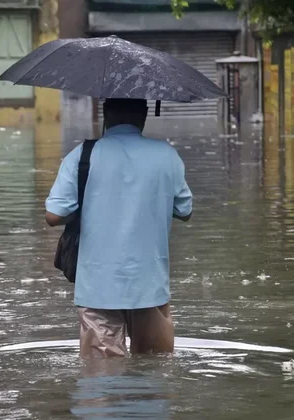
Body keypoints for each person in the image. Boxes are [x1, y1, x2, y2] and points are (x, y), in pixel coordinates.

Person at [44, 98, 193, 358]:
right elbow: (185, 211)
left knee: (100, 380)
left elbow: (54, 215)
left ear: (106, 114)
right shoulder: (166, 155)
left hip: (98, 286)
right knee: (153, 372)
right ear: (145, 115)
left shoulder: (83, 156)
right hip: (149, 283)